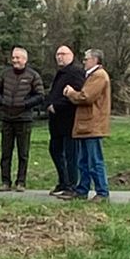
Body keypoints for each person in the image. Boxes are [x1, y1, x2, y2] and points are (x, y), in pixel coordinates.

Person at [0, 47, 45, 191]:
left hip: (24, 118)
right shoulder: (5, 74)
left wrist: (25, 104)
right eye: (13, 58)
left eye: (18, 58)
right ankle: (5, 181)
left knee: (23, 153)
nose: (15, 60)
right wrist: (1, 101)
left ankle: (21, 181)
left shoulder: (33, 76)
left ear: (25, 59)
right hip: (7, 118)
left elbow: (40, 95)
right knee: (6, 153)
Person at [65, 47, 111, 200]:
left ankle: (102, 192)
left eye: (86, 59)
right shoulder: (92, 76)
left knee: (95, 161)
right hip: (86, 125)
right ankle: (82, 190)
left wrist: (71, 93)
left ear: (95, 60)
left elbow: (86, 97)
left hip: (93, 125)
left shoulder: (99, 76)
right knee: (83, 161)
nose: (84, 61)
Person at [46, 44, 85, 197]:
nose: (59, 57)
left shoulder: (75, 72)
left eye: (63, 54)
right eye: (57, 54)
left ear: (71, 56)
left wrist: (57, 105)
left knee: (71, 154)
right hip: (55, 121)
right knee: (55, 150)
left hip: (69, 119)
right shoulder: (60, 73)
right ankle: (63, 181)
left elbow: (76, 94)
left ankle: (71, 185)